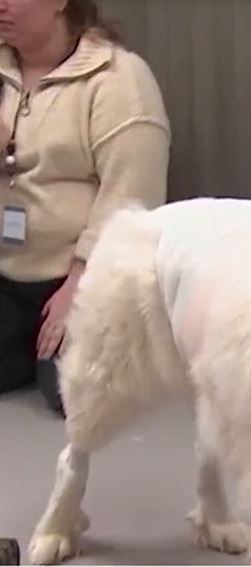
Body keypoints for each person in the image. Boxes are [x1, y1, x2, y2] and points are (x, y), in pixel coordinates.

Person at [0, 0, 170, 415]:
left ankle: (52, 342)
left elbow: (131, 197)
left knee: (70, 393)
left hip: (84, 276)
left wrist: (78, 286)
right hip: (8, 272)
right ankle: (27, 342)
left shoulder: (119, 80)